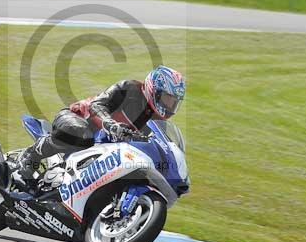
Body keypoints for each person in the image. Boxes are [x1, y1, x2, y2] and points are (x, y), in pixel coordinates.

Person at [16, 65, 186, 182]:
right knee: (82, 133)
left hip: (102, 147)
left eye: (174, 102)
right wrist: (111, 124)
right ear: (154, 90)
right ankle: (31, 155)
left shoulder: (154, 121)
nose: (169, 106)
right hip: (77, 119)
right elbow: (97, 106)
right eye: (167, 99)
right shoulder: (129, 89)